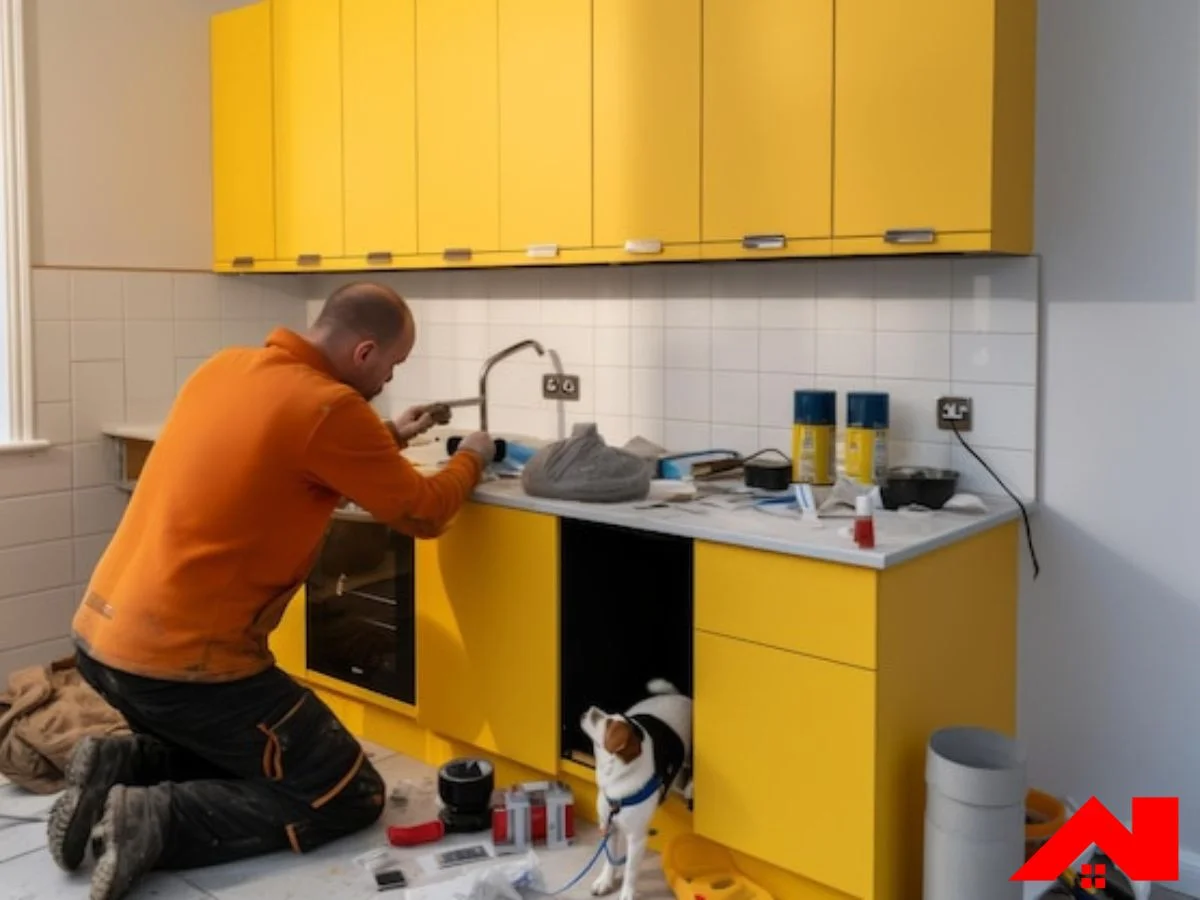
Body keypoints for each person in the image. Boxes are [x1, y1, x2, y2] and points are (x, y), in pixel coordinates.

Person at [47, 281, 495, 900]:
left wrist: (388, 433)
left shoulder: (226, 368)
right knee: (345, 792)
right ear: (364, 352)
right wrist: (471, 455)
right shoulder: (331, 408)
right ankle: (153, 819)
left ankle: (121, 765)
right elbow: (423, 513)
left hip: (101, 644)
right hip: (186, 666)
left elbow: (289, 454)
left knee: (247, 757)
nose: (390, 379)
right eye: (392, 365)